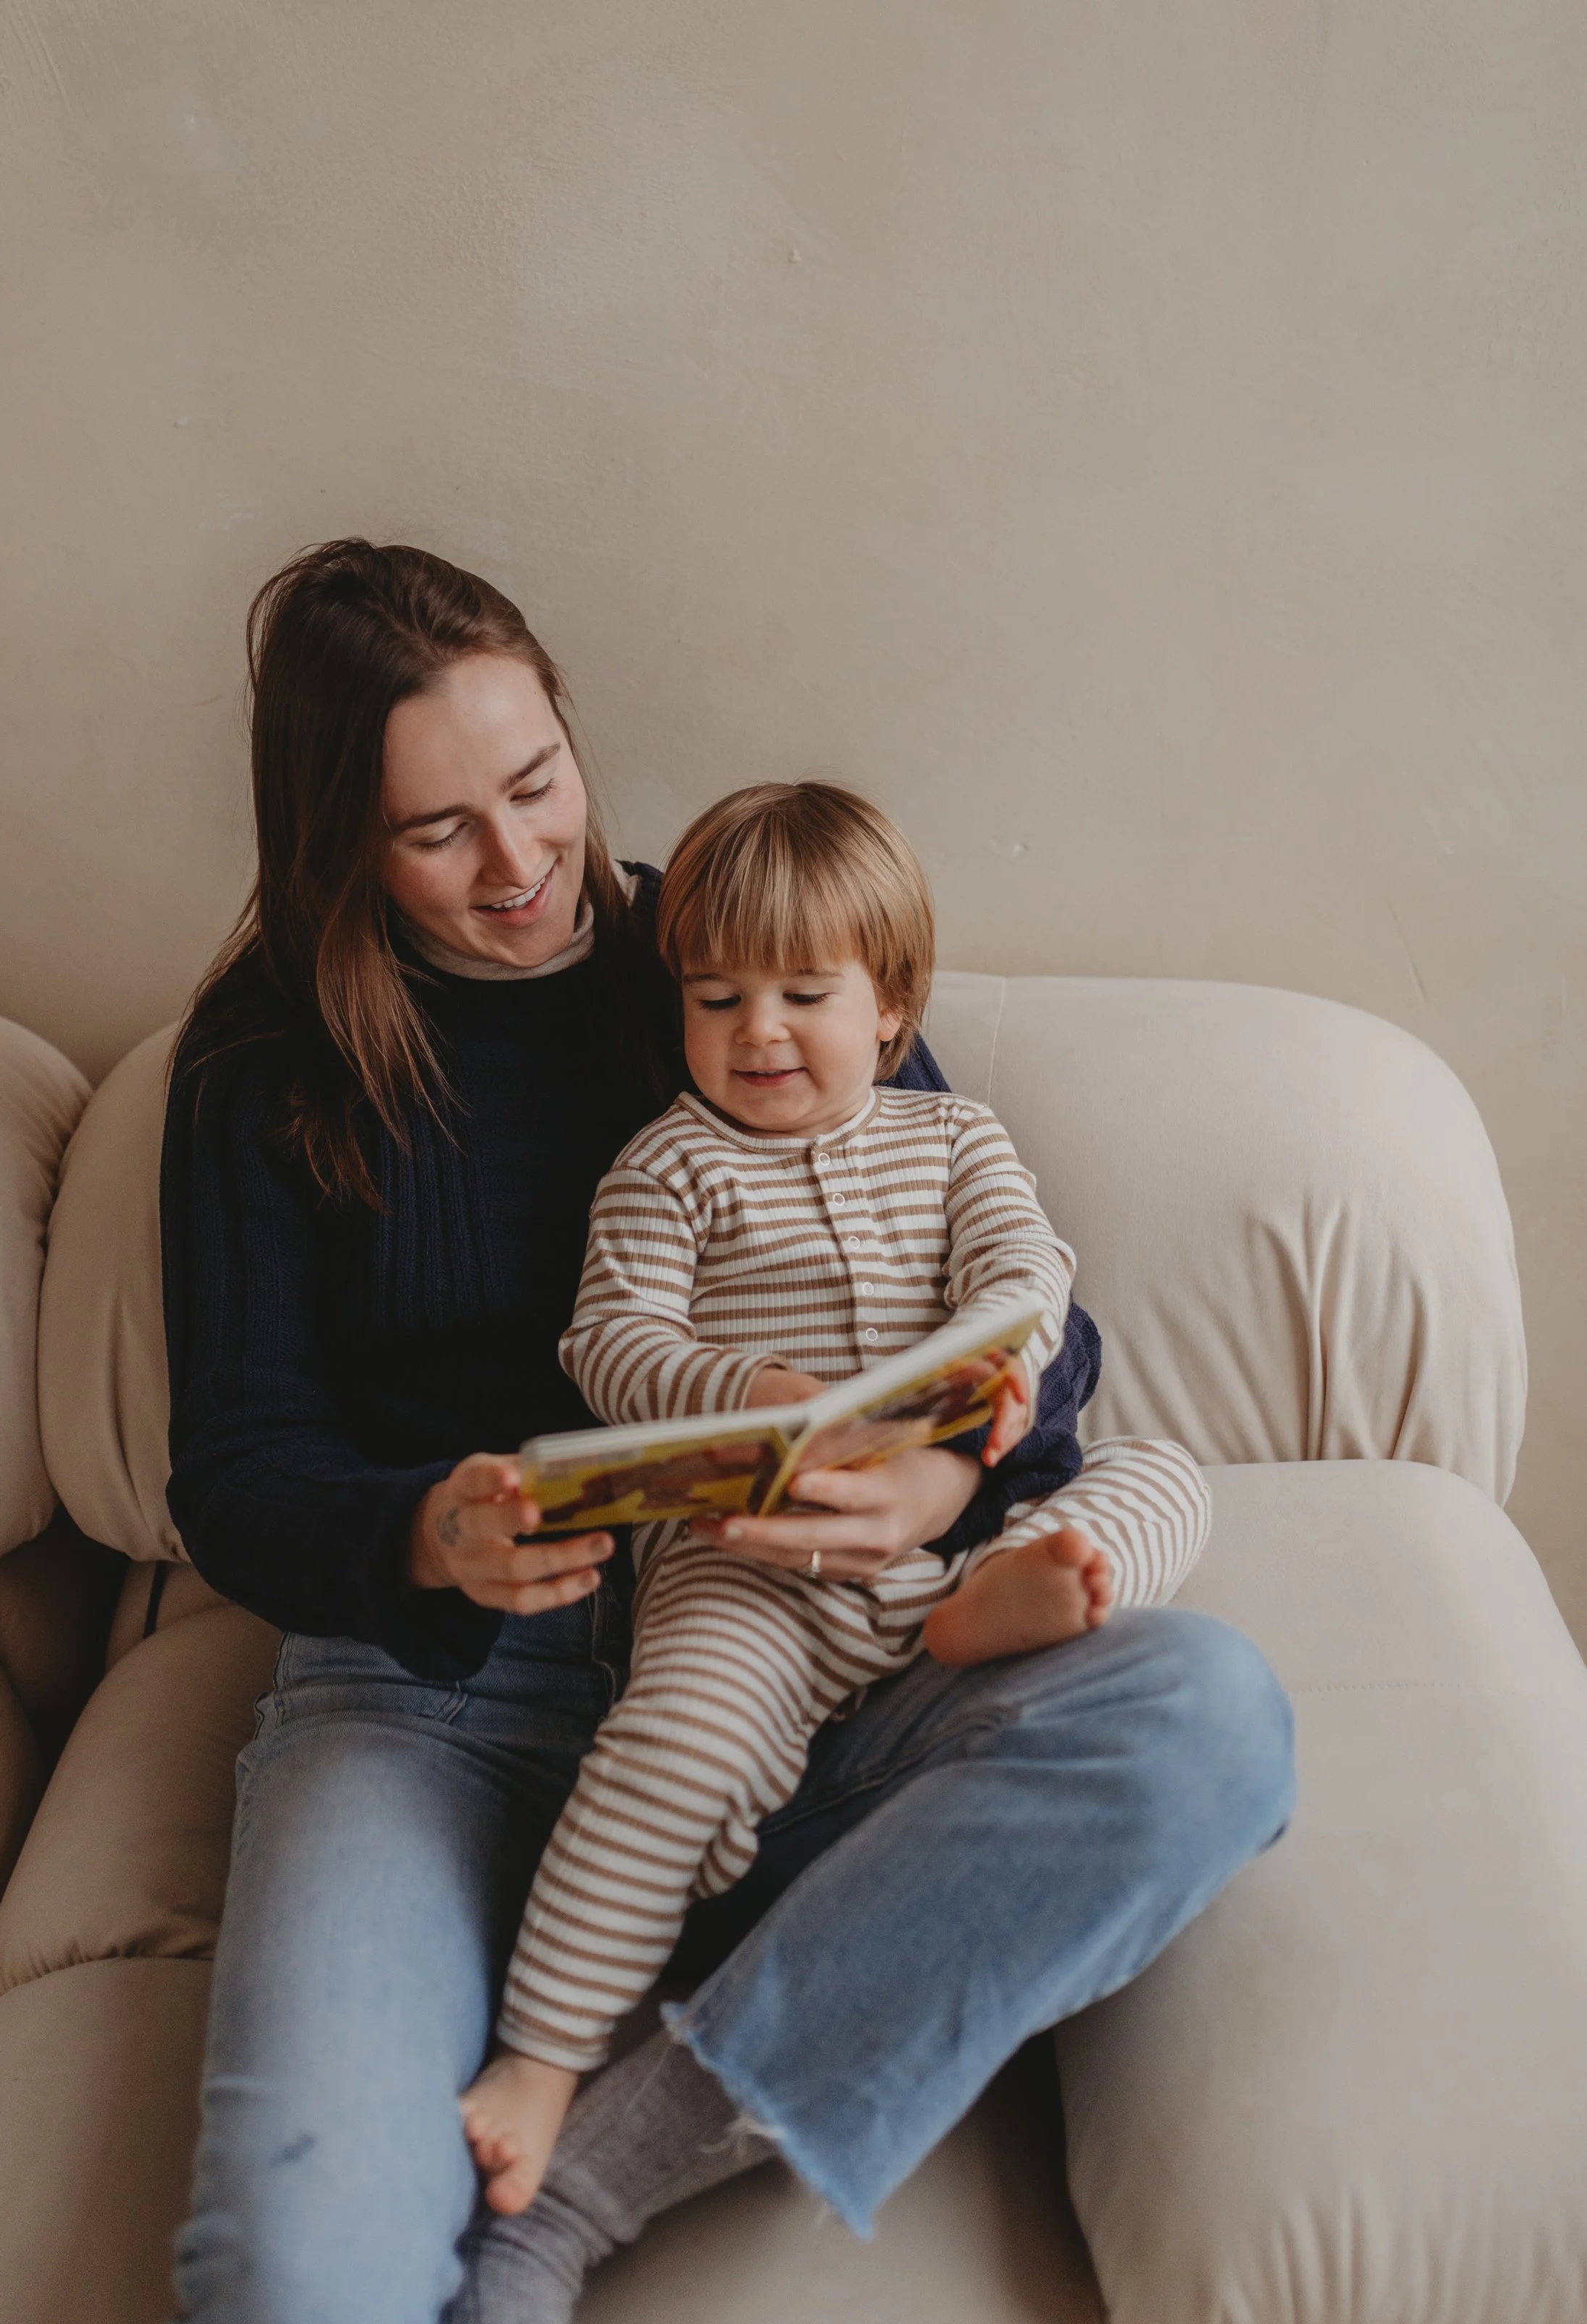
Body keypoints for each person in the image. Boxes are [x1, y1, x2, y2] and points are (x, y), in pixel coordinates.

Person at [160, 538, 1295, 2324]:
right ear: (335, 846)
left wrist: (933, 1473)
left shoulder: (721, 953)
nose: (519, 863)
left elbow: (1020, 1313)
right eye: (436, 831)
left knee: (1203, 1717)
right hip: (439, 1695)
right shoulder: (262, 1063)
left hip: (818, 1638)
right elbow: (233, 1475)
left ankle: (579, 2188)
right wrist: (428, 1535)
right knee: (295, 2276)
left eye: (536, 783)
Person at [457, 782, 1212, 2213]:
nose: (757, 1031)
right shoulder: (665, 1170)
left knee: (1165, 1474)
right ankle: (545, 2061)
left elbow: (1028, 1278)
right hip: (749, 1564)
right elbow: (607, 1342)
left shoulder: (957, 1140)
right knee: (669, 1747)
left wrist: (979, 1378)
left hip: (963, 1542)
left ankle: (1010, 1598)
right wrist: (746, 1386)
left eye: (804, 994)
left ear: (890, 1009)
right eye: (717, 997)